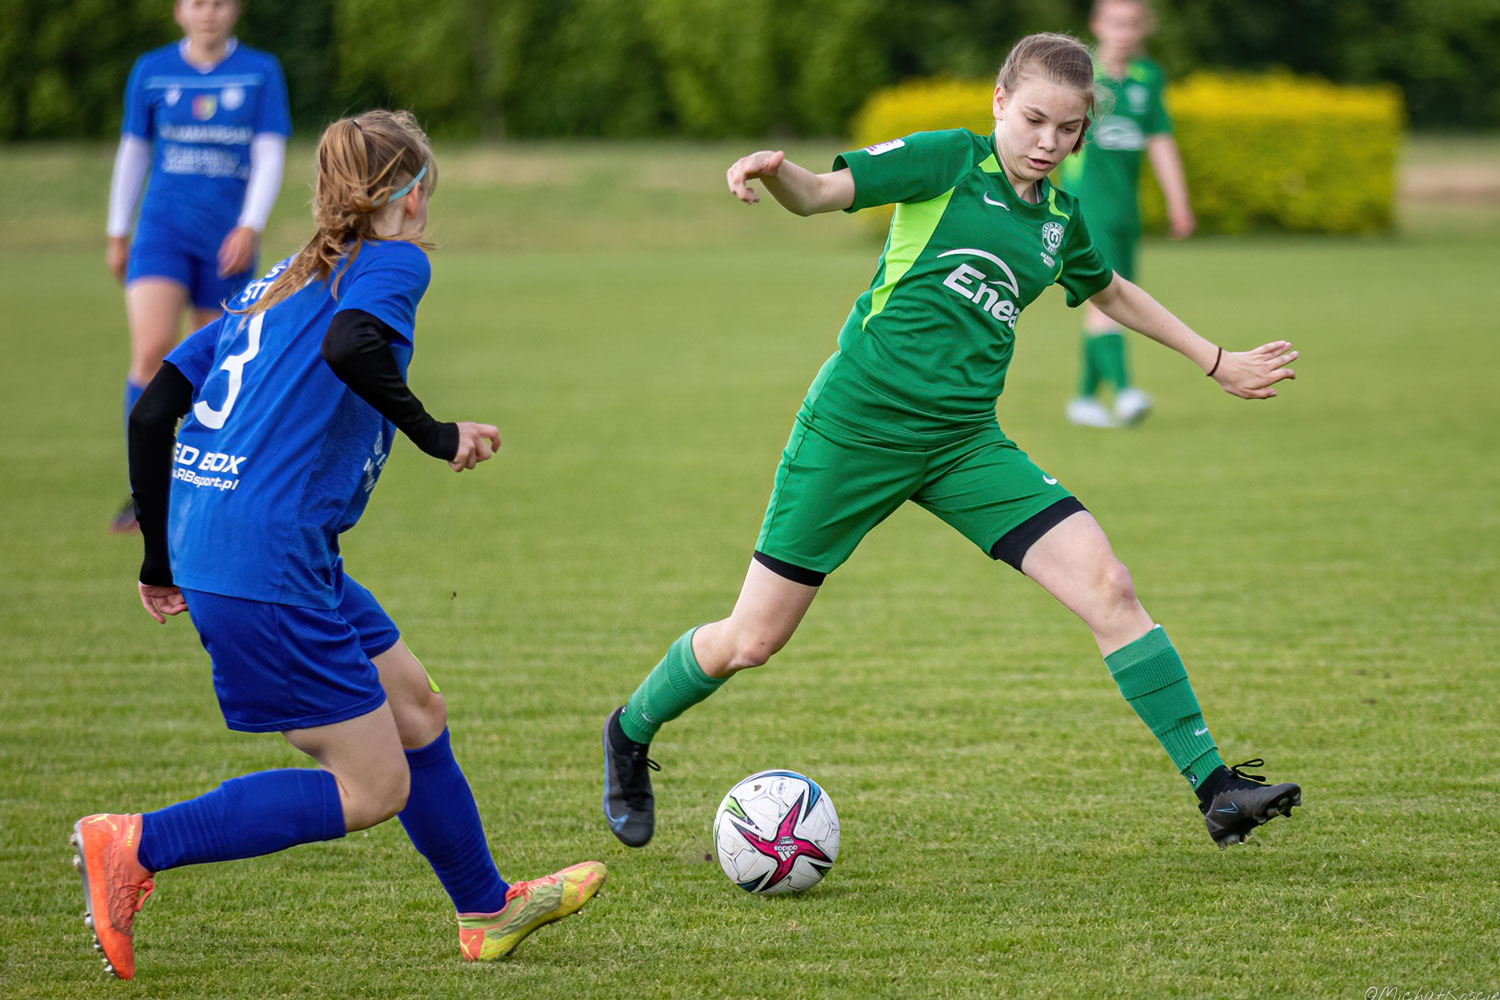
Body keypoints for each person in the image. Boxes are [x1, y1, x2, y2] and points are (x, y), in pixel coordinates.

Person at [601, 33, 1300, 854]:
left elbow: (1110, 288)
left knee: (1109, 584)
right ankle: (630, 730)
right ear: (1000, 102)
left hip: (966, 445)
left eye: (1068, 130)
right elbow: (823, 191)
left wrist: (1213, 360)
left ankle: (1217, 790)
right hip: (854, 431)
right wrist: (774, 173)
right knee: (751, 641)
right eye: (1034, 120)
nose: (1048, 142)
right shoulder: (945, 162)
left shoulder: (1059, 221)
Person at [72, 110, 604, 982]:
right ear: (406, 191)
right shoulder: (395, 260)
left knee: (416, 710)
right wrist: (437, 435)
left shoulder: (280, 278)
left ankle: (485, 910)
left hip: (263, 547)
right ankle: (135, 845)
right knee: (372, 789)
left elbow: (153, 406)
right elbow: (352, 342)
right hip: (266, 560)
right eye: (425, 183)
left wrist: (161, 558)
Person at [106, 0, 291, 532]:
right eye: (196, 2)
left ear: (235, 10)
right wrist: (119, 229)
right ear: (178, 11)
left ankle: (201, 488)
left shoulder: (260, 72)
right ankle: (147, 492)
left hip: (226, 242)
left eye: (218, 2)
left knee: (209, 373)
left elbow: (269, 152)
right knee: (150, 353)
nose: (207, 12)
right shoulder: (152, 69)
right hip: (161, 233)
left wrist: (250, 225)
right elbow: (134, 151)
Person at [1057, 0, 1194, 428]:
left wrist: (1178, 201)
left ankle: (1083, 399)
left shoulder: (1147, 77)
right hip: (1085, 205)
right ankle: (1124, 392)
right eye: (1117, 22)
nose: (1125, 31)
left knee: (1115, 298)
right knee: (1107, 297)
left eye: (1134, 23)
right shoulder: (1078, 74)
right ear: (1097, 25)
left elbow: (1160, 139)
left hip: (1125, 210)